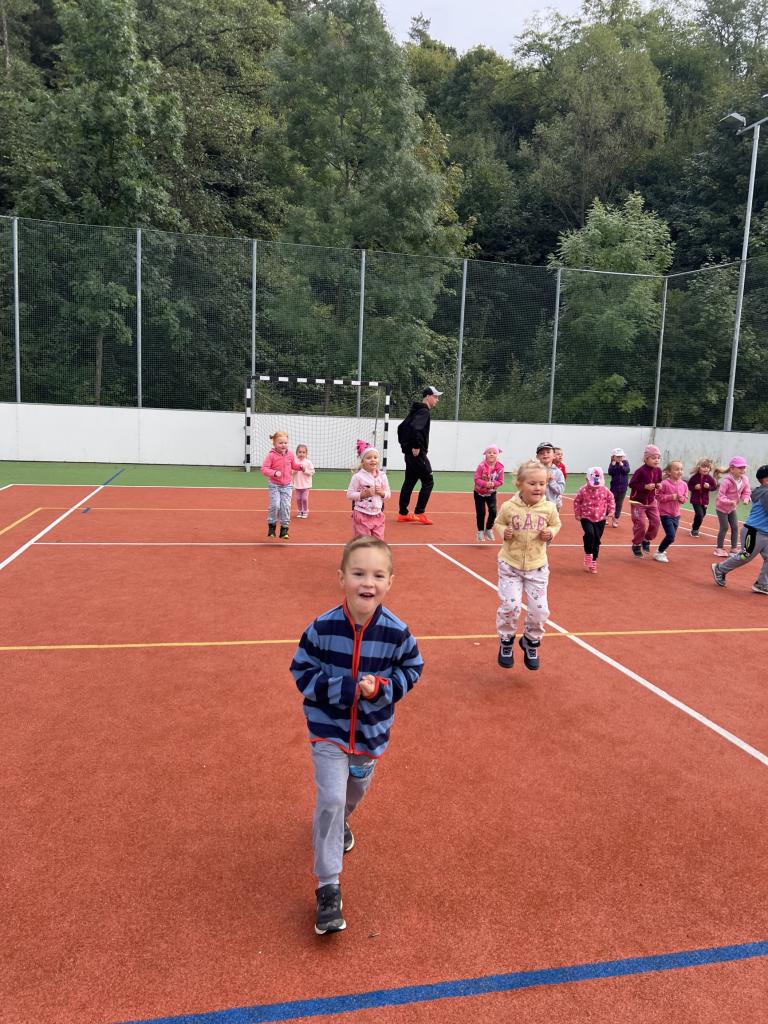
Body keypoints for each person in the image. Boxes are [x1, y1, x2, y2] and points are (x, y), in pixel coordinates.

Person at [290, 537, 423, 935]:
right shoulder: (322, 627)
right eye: (359, 573)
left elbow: (412, 669)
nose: (368, 582)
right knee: (331, 798)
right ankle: (328, 886)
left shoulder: (397, 633)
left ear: (390, 582)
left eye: (378, 575)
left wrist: (382, 688)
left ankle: (338, 822)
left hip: (370, 734)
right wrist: (345, 689)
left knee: (351, 795)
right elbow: (302, 672)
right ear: (341, 578)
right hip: (328, 731)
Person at [493, 459, 561, 671]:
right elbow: (498, 522)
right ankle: (506, 640)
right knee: (511, 606)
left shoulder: (549, 508)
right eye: (532, 483)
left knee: (540, 610)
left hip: (537, 568)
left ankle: (531, 641)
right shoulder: (509, 507)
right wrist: (504, 532)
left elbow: (556, 523)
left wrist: (551, 532)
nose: (538, 487)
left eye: (542, 483)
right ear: (519, 484)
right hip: (510, 566)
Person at [712, 464, 768, 595]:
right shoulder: (765, 493)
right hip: (754, 532)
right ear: (766, 480)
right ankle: (720, 568)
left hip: (765, 533)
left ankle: (762, 584)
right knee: (745, 556)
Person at [397, 386, 442, 525]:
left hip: (410, 454)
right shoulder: (423, 411)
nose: (437, 400)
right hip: (417, 454)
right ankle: (419, 512)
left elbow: (401, 428)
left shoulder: (416, 410)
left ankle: (403, 514)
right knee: (428, 482)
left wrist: (405, 448)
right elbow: (416, 428)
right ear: (428, 396)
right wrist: (415, 446)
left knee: (409, 482)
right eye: (435, 397)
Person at [261, 430, 302, 539]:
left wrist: (300, 467)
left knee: (285, 506)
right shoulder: (271, 456)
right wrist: (274, 473)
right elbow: (264, 469)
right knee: (275, 505)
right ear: (274, 443)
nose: (283, 445)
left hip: (287, 485)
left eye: (285, 443)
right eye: (280, 443)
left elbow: (294, 465)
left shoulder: (290, 454)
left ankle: (284, 529)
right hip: (274, 485)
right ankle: (272, 526)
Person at [573, 466, 615, 573]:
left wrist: (611, 510)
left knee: (596, 541)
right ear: (587, 480)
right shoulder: (583, 490)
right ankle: (588, 554)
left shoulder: (605, 490)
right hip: (586, 517)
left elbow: (610, 499)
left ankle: (594, 561)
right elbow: (577, 501)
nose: (595, 487)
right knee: (590, 534)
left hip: (601, 518)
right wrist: (577, 513)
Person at [347, 442, 391, 539]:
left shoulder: (382, 476)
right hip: (361, 514)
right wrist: (363, 494)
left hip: (378, 515)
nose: (373, 460)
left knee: (378, 542)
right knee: (364, 542)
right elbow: (349, 494)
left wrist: (382, 493)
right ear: (362, 461)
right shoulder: (358, 477)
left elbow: (388, 494)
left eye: (375, 457)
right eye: (369, 458)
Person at [629, 444, 662, 557]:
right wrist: (644, 486)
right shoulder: (640, 471)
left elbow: (658, 482)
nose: (656, 460)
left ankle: (646, 539)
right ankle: (636, 544)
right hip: (638, 502)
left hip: (652, 501)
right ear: (646, 459)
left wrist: (658, 485)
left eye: (658, 458)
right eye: (653, 458)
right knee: (641, 524)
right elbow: (632, 484)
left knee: (656, 522)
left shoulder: (658, 471)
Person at [714, 456, 751, 556]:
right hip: (721, 508)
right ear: (732, 469)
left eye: (744, 468)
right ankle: (718, 548)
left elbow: (746, 491)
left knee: (735, 527)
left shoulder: (745, 480)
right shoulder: (726, 481)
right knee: (724, 527)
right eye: (740, 468)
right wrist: (730, 502)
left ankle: (734, 548)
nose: (742, 470)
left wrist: (746, 498)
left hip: (732, 508)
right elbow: (720, 496)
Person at [654, 460, 687, 563]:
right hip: (665, 514)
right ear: (669, 472)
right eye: (676, 469)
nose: (679, 471)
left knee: (671, 537)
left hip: (676, 514)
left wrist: (682, 499)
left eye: (681, 469)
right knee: (671, 536)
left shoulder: (684, 484)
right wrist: (671, 497)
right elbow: (658, 496)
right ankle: (659, 552)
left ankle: (661, 549)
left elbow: (685, 498)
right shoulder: (664, 484)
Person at [473, 445, 505, 542]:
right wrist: (485, 484)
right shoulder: (481, 466)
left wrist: (493, 484)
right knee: (481, 512)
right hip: (479, 493)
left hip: (491, 493)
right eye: (489, 452)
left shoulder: (500, 468)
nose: (491, 454)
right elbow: (476, 479)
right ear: (485, 454)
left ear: (497, 455)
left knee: (493, 511)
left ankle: (489, 529)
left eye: (494, 453)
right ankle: (480, 531)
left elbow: (501, 481)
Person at [687, 458, 719, 537]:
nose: (706, 469)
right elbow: (689, 486)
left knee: (702, 515)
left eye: (707, 467)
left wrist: (709, 487)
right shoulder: (694, 477)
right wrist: (694, 487)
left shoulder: (710, 478)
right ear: (699, 468)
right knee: (699, 514)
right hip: (695, 500)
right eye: (704, 467)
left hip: (705, 501)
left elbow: (714, 487)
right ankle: (695, 530)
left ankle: (695, 524)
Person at [535, 441, 565, 511]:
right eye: (541, 453)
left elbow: (560, 490)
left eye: (548, 452)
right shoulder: (534, 471)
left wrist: (551, 481)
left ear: (554, 455)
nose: (545, 454)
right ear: (537, 457)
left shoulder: (558, 472)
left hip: (551, 507)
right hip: (537, 506)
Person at [607, 448, 630, 527]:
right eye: (618, 456)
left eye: (621, 456)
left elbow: (627, 471)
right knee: (610, 502)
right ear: (613, 457)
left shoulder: (625, 462)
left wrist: (622, 466)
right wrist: (613, 465)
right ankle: (606, 516)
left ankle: (616, 519)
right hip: (614, 487)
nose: (620, 458)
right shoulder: (612, 464)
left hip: (623, 488)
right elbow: (610, 472)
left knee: (619, 504)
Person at [293, 444, 315, 519]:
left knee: (304, 499)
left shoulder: (308, 462)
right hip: (297, 484)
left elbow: (312, 472)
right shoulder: (294, 461)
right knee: (298, 499)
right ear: (297, 453)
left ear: (306, 453)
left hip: (306, 485)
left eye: (303, 452)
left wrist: (304, 470)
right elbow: (291, 472)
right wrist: (295, 470)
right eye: (299, 452)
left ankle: (305, 511)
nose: (301, 454)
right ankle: (300, 511)